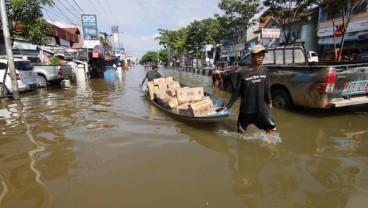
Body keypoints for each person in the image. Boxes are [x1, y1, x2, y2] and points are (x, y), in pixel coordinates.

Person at [219, 45, 276, 137]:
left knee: (270, 130)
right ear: (251, 56)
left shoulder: (265, 70)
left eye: (263, 55)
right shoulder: (242, 73)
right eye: (258, 55)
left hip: (261, 109)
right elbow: (237, 92)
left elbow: (267, 88)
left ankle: (272, 150)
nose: (261, 57)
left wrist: (269, 102)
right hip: (246, 110)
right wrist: (228, 106)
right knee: (241, 134)